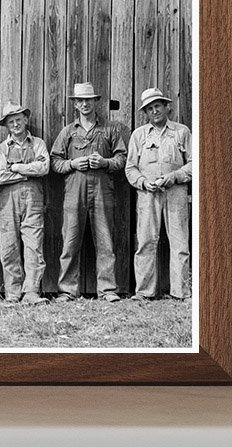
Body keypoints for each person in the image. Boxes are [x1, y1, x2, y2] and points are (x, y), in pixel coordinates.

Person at [50, 82, 127, 303]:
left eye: (88, 100)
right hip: (74, 190)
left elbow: (122, 159)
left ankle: (108, 289)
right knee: (70, 241)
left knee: (105, 240)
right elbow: (55, 162)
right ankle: (67, 290)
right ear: (75, 104)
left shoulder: (111, 129)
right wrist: (73, 164)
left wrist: (104, 162)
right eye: (80, 101)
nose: (85, 104)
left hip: (102, 191)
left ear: (95, 102)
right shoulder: (68, 131)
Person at [125, 87, 194, 300]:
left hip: (176, 193)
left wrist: (175, 176)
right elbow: (130, 168)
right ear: (145, 112)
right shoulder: (139, 135)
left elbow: (194, 164)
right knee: (145, 242)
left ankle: (180, 292)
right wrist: (144, 182)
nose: (154, 111)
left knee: (180, 243)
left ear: (166, 107)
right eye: (150, 108)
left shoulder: (182, 132)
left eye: (158, 106)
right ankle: (144, 292)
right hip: (147, 195)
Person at [0, 101, 49, 305]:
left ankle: (31, 292)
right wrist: (28, 172)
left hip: (33, 200)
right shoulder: (2, 148)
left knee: (34, 245)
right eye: (11, 121)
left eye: (18, 120)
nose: (16, 124)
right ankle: (12, 292)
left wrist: (16, 168)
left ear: (26, 120)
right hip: (8, 200)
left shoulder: (38, 143)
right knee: (9, 246)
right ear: (7, 126)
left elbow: (44, 168)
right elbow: (1, 177)